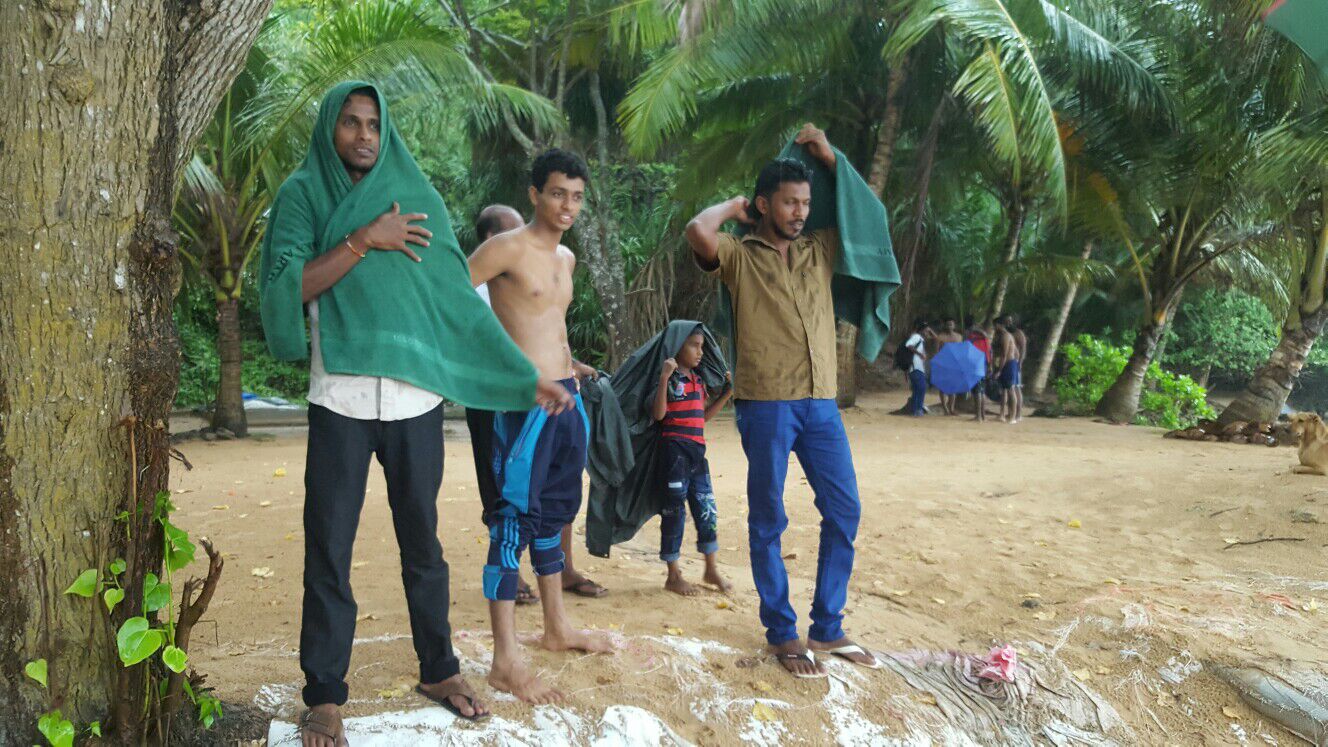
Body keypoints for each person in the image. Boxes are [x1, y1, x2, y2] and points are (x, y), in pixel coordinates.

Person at [258, 83, 574, 745]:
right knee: (329, 546)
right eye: (351, 122)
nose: (364, 135)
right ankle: (324, 695)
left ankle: (439, 668)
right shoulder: (303, 194)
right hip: (340, 397)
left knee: (423, 543)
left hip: (415, 401)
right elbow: (289, 285)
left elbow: (456, 302)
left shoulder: (416, 194)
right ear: (331, 126)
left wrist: (523, 377)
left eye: (373, 123)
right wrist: (362, 240)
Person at [685, 123, 878, 678]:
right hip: (766, 403)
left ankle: (827, 625)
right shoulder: (739, 256)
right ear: (766, 204)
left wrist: (830, 157)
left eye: (806, 203)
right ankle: (781, 633)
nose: (799, 212)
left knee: (844, 509)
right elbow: (697, 231)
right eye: (790, 202)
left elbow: (866, 215)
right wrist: (734, 207)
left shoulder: (821, 249)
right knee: (769, 516)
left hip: (820, 403)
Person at [468, 148, 616, 705]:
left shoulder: (567, 258)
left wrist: (570, 367)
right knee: (513, 521)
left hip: (564, 400)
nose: (567, 206)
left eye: (576, 197)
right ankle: (505, 661)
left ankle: (557, 627)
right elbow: (453, 303)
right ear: (535, 194)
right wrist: (513, 374)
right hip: (520, 406)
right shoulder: (505, 248)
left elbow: (551, 325)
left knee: (555, 513)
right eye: (557, 194)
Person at [466, 204, 599, 607]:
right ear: (492, 241)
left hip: (556, 393)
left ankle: (562, 579)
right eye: (513, 230)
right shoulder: (479, 285)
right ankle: (511, 576)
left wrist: (569, 366)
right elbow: (472, 332)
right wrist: (523, 376)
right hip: (503, 400)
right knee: (510, 500)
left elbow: (544, 331)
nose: (525, 236)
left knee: (558, 494)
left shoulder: (553, 262)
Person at [651, 330, 734, 596]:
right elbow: (659, 415)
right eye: (694, 346)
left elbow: (703, 417)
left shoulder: (698, 380)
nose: (700, 352)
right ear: (678, 347)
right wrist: (664, 378)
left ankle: (711, 569)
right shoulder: (671, 378)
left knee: (706, 509)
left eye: (702, 347)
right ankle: (673, 575)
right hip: (673, 452)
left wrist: (727, 393)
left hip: (697, 453)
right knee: (674, 512)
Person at [994, 318, 1023, 423]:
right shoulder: (1007, 336)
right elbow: (1017, 353)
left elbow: (1004, 354)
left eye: (995, 325)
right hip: (1010, 363)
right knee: (1005, 390)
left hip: (1009, 364)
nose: (994, 328)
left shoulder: (1006, 336)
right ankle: (1003, 414)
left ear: (999, 325)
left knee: (1011, 390)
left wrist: (999, 370)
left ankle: (1013, 417)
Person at [933, 318, 963, 415]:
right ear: (945, 326)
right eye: (948, 324)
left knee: (953, 388)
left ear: (954, 326)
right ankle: (945, 408)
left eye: (951, 324)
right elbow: (936, 352)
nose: (949, 326)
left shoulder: (959, 337)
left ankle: (951, 408)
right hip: (943, 364)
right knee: (942, 387)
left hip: (955, 365)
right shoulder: (940, 337)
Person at [965, 320, 992, 422]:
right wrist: (990, 365)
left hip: (976, 364)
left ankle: (978, 416)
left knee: (977, 391)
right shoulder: (984, 338)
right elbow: (990, 351)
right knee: (981, 390)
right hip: (983, 363)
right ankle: (982, 416)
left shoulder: (973, 337)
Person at [903, 321, 931, 417]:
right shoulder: (916, 337)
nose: (928, 333)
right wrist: (920, 354)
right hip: (915, 367)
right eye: (926, 331)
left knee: (917, 389)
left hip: (918, 367)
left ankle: (916, 409)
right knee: (921, 387)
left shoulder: (920, 339)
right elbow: (908, 345)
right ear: (922, 330)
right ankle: (918, 409)